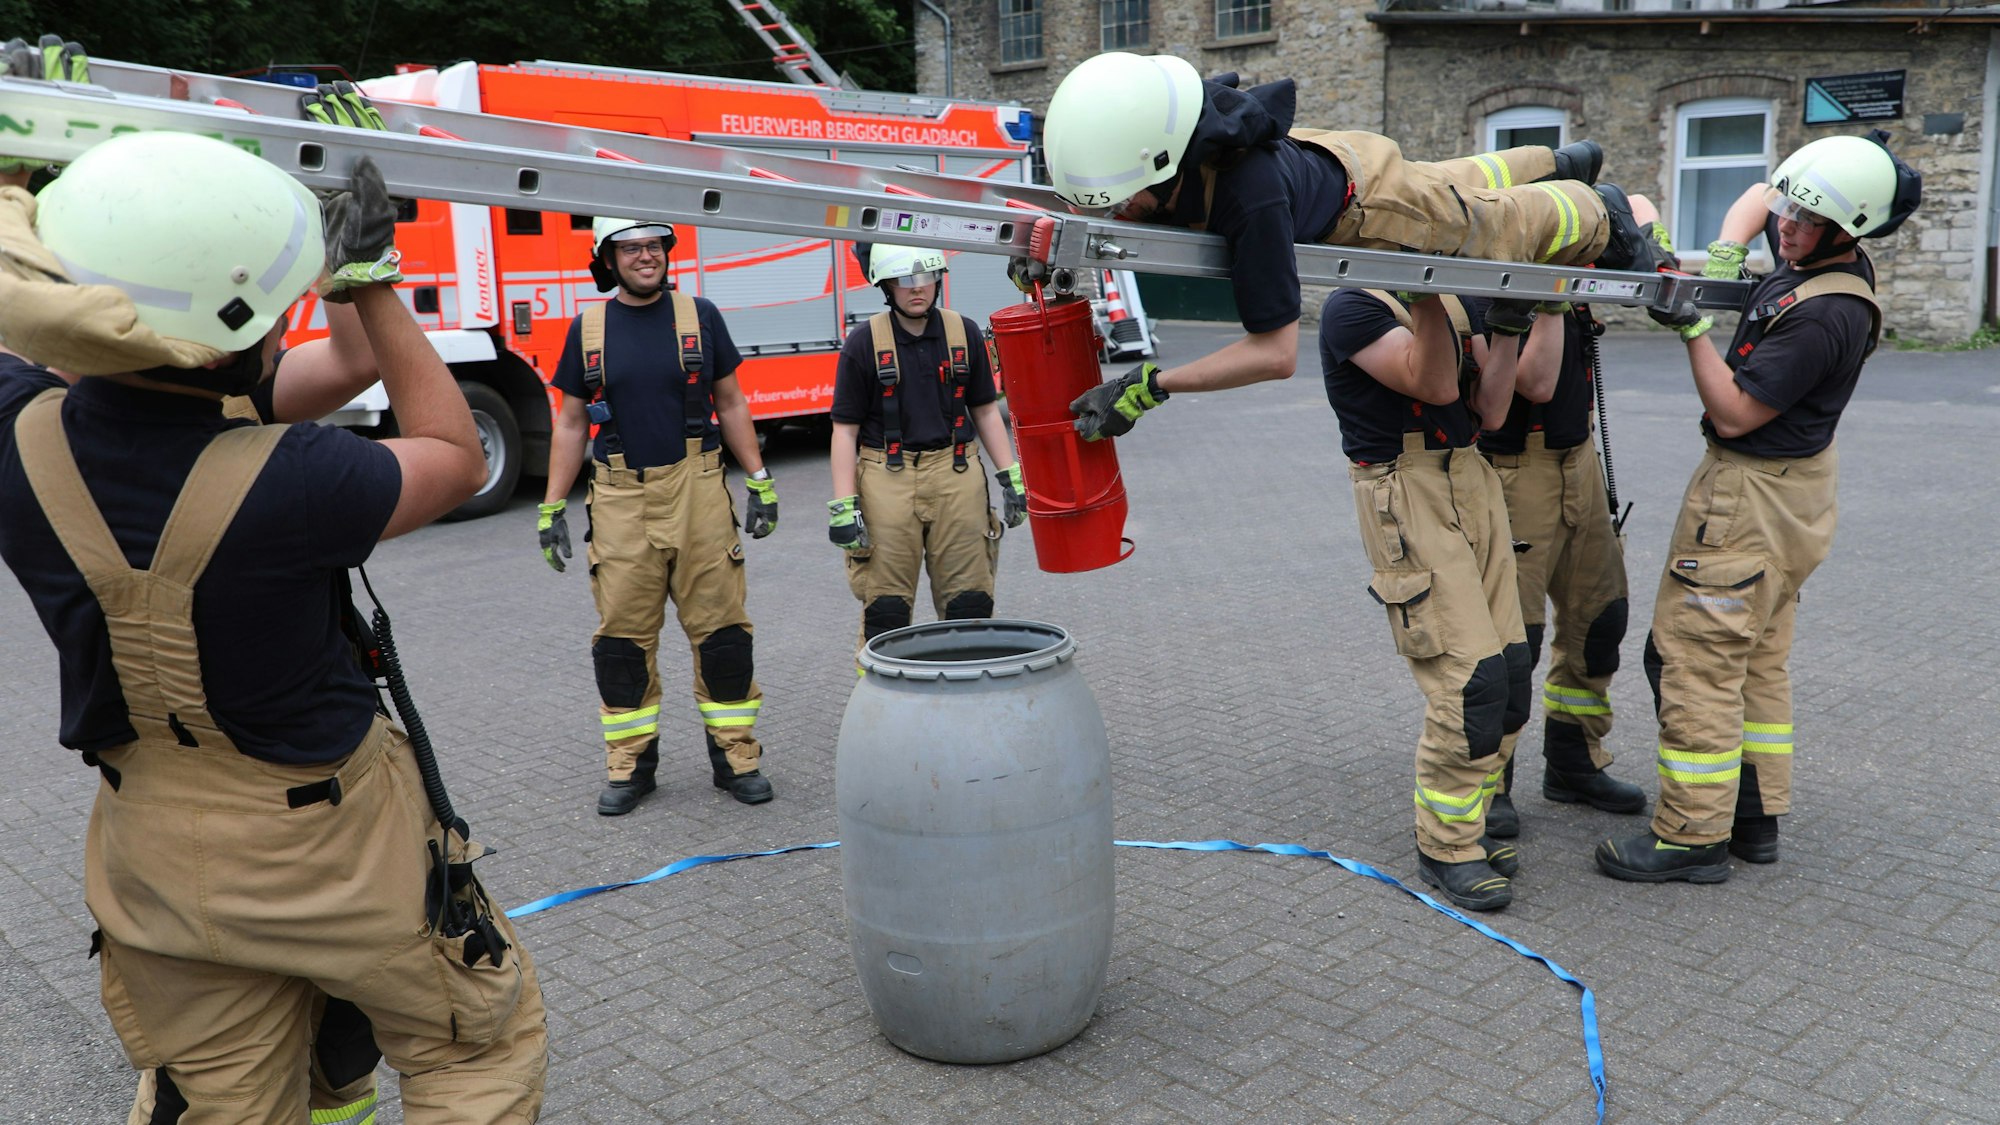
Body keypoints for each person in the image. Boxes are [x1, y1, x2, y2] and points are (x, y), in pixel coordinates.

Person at [0, 133, 547, 1119]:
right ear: (230, 334)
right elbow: (454, 455)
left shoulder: (20, 436)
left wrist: (29, 179)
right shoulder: (297, 480)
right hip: (324, 849)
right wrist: (371, 277)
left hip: (152, 861)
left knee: (222, 1101)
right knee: (478, 1047)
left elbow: (330, 365)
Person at [1042, 51, 1674, 443]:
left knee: (1495, 228)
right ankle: (1558, 161)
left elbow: (1274, 355)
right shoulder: (1179, 125)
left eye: (1122, 197)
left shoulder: (1248, 200)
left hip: (1373, 207)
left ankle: (1603, 211)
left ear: (1163, 164)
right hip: (1340, 155)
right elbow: (1121, 206)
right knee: (1446, 178)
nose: (1117, 210)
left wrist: (1154, 383)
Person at [1595, 132, 1920, 883]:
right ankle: (1752, 817)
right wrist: (1724, 253)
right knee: (1755, 658)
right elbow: (1758, 201)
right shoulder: (1820, 256)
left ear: (1850, 232)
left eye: (1805, 222)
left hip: (1752, 494)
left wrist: (1694, 330)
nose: (1787, 227)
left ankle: (1691, 837)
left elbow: (1737, 413)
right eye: (1790, 210)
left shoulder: (1826, 315)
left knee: (1694, 659)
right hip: (1793, 496)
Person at [537, 216, 777, 815]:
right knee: (621, 642)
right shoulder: (588, 329)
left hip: (699, 489)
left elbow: (731, 402)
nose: (647, 257)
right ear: (608, 259)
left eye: (654, 247)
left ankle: (735, 758)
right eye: (632, 249)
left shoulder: (701, 316)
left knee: (722, 633)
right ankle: (631, 767)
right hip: (619, 498)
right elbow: (569, 423)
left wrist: (760, 480)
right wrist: (549, 507)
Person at [1320, 284, 1536, 911]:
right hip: (1404, 486)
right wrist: (1427, 295)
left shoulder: (1457, 298)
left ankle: (1473, 814)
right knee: (1471, 679)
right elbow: (1434, 384)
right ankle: (1447, 845)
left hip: (1470, 471)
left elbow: (1489, 413)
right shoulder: (1352, 308)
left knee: (1512, 667)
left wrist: (1512, 323)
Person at [1475, 298, 1648, 839]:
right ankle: (1486, 783)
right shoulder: (1499, 276)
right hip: (1514, 469)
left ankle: (1575, 761)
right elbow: (1536, 384)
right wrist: (1551, 290)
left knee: (1599, 622)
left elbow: (1638, 211)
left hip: (1580, 461)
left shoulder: (1572, 274)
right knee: (1511, 643)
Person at [828, 244, 1026, 647]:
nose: (916, 289)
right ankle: (887, 705)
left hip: (956, 475)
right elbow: (844, 430)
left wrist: (1012, 478)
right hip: (887, 480)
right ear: (885, 286)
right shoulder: (863, 342)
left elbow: (985, 411)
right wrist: (843, 506)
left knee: (969, 603)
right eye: (904, 280)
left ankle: (962, 694)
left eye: (925, 278)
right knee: (887, 610)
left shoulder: (964, 332)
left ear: (937, 279)